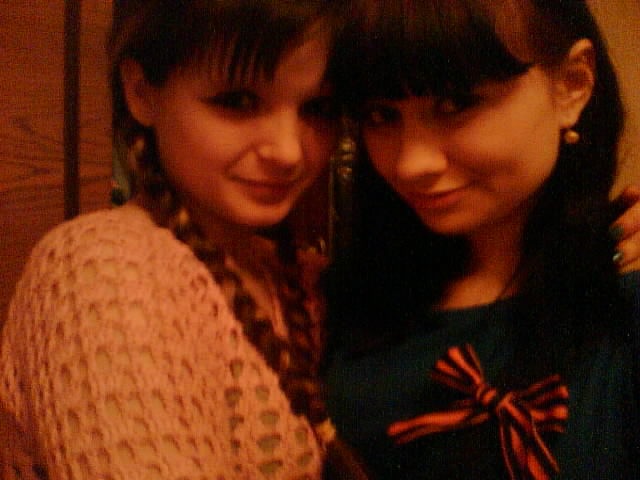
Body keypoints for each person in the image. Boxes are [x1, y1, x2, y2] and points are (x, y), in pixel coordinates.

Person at [0, 1, 372, 478]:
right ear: (141, 92)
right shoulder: (101, 271)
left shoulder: (296, 277)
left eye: (318, 109)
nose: (287, 151)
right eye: (238, 101)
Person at [324, 0, 640, 478]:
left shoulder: (621, 300)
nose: (411, 164)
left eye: (456, 104)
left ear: (572, 85)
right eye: (381, 115)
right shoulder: (342, 302)